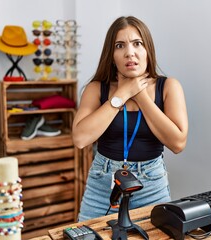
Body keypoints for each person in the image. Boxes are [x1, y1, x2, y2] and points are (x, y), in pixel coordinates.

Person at [72, 16, 188, 221]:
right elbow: (80, 139)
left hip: (152, 185)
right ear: (112, 55)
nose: (129, 52)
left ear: (147, 50)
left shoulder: (169, 86)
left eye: (137, 43)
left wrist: (139, 94)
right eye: (120, 45)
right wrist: (121, 94)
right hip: (103, 184)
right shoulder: (97, 88)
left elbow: (178, 143)